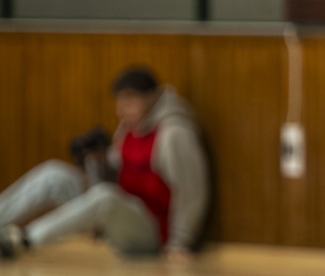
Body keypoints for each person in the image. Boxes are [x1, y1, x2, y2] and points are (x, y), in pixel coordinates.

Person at [0, 65, 210, 263]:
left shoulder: (174, 133)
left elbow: (191, 192)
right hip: (119, 216)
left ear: (151, 97)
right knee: (54, 174)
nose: (121, 109)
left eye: (130, 100)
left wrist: (179, 242)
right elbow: (116, 171)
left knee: (105, 196)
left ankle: (23, 240)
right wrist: (94, 161)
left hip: (152, 232)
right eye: (120, 101)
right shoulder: (129, 128)